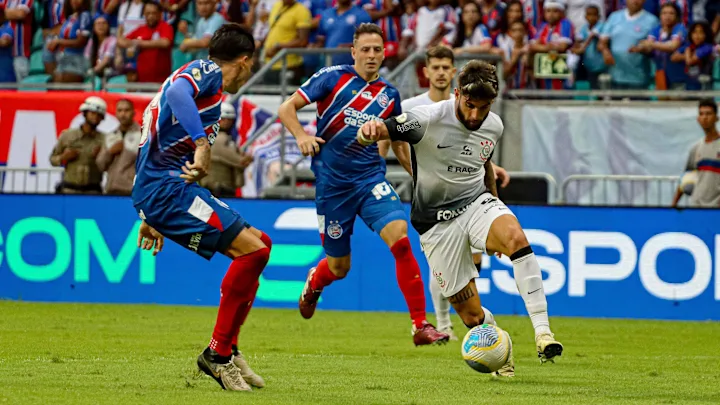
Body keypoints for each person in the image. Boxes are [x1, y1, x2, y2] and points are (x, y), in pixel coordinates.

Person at [356, 60, 564, 369]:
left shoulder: (494, 125)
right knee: (471, 316)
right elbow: (382, 130)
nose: (476, 115)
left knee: (515, 236)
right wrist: (367, 131)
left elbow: (485, 165)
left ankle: (543, 334)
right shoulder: (426, 119)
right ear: (456, 94)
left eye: (484, 107)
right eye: (470, 105)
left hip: (475, 203)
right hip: (435, 225)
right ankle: (501, 351)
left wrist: (495, 211)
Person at [278, 23, 449, 346]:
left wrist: (419, 175)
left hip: (371, 179)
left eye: (377, 50)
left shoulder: (389, 95)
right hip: (333, 187)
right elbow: (287, 107)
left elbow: (397, 140)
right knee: (339, 267)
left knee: (400, 238)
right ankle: (315, 280)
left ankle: (419, 325)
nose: (372, 55)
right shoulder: (332, 78)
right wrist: (301, 136)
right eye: (365, 49)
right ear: (353, 51)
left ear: (384, 54)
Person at [132, 23, 267, 392]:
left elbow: (159, 138)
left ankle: (229, 347)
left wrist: (151, 217)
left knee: (262, 244)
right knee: (252, 254)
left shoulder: (209, 92)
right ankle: (218, 354)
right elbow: (177, 92)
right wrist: (201, 144)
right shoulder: (205, 72)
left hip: (166, 191)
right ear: (243, 60)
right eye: (252, 64)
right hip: (164, 190)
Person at [379, 46, 510, 341]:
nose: (439, 72)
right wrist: (416, 173)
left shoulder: (472, 107)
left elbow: (471, 149)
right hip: (433, 197)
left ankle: (464, 322)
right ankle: (443, 324)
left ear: (453, 73)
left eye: (445, 67)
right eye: (434, 67)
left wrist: (492, 170)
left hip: (469, 196)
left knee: (471, 266)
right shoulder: (415, 107)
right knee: (443, 264)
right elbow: (398, 141)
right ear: (426, 72)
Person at [50, 96, 107, 194]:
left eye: (99, 115)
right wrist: (63, 158)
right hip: (69, 189)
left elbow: (109, 165)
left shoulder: (104, 139)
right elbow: (53, 159)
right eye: (92, 113)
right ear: (85, 113)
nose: (95, 117)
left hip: (93, 191)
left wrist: (102, 157)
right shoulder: (67, 135)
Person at [672, 98, 720, 208]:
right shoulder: (696, 148)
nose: (705, 118)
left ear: (716, 118)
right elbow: (686, 177)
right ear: (698, 119)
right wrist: (673, 204)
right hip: (696, 207)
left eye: (708, 114)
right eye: (701, 114)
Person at [200, 102, 253, 197]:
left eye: (230, 119)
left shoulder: (226, 139)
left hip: (223, 189)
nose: (227, 122)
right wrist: (246, 158)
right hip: (217, 190)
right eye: (223, 119)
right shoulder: (217, 139)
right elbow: (240, 161)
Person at [97, 99, 140, 196]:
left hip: (131, 190)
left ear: (133, 112)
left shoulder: (142, 136)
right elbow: (100, 165)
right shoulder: (110, 136)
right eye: (120, 111)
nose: (123, 114)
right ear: (116, 113)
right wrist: (110, 152)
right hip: (111, 189)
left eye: (126, 110)